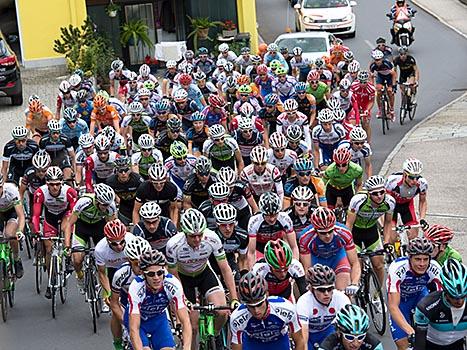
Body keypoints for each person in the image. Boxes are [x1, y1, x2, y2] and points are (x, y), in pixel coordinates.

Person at [166, 209, 239, 348]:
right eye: (193, 236)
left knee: (222, 312)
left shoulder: (212, 238)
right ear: (185, 233)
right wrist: (184, 300)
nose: (198, 239)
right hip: (183, 279)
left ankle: (216, 335)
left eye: (200, 235)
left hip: (204, 273)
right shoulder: (173, 245)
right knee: (191, 328)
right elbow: (173, 276)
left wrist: (234, 298)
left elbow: (225, 268)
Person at [128, 249, 192, 350]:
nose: (156, 277)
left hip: (158, 319)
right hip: (139, 321)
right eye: (151, 274)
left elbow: (186, 322)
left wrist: (187, 347)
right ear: (144, 275)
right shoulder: (136, 287)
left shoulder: (173, 283)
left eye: (160, 272)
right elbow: (134, 329)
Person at [387, 237, 443, 350]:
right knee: (403, 345)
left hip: (421, 296)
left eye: (425, 259)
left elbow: (441, 297)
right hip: (401, 300)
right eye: (417, 259)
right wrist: (410, 331)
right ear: (410, 258)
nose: (422, 264)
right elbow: (393, 307)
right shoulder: (397, 268)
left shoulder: (435, 267)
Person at [31, 167, 77, 298]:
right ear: (47, 183)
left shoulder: (70, 192)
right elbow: (36, 215)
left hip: (65, 215)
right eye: (52, 184)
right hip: (50, 217)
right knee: (49, 248)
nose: (55, 187)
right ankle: (51, 280)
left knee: (65, 228)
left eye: (57, 184)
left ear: (62, 182)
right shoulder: (40, 193)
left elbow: (74, 214)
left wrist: (71, 232)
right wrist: (36, 231)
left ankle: (67, 257)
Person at [230, 272, 306, 350]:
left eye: (259, 304)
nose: (256, 310)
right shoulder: (237, 318)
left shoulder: (287, 308)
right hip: (253, 345)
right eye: (251, 306)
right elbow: (237, 347)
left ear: (267, 295)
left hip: (279, 344)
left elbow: (300, 341)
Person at [64, 183, 117, 292]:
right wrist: (67, 245)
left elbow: (112, 227)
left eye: (108, 204)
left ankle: (105, 297)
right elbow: (69, 224)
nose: (106, 207)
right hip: (82, 227)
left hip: (99, 227)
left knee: (103, 264)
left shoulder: (111, 207)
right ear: (97, 200)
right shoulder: (84, 202)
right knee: (77, 259)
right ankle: (80, 276)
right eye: (103, 205)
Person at [346, 175, 395, 287]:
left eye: (382, 192)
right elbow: (349, 224)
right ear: (368, 194)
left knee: (379, 265)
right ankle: (358, 291)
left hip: (371, 232)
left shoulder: (390, 202)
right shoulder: (358, 201)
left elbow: (387, 223)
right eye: (374, 193)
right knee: (357, 265)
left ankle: (377, 294)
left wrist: (386, 242)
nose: (379, 196)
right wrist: (347, 243)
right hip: (355, 233)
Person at [299, 207, 361, 292]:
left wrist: (354, 284)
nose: (327, 235)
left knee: (343, 291)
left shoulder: (344, 233)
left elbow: (354, 263)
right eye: (323, 233)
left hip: (337, 258)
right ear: (315, 230)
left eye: (330, 231)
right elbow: (307, 268)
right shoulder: (305, 238)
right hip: (317, 260)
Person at [414, 259, 467, 350]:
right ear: (444, 289)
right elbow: (419, 344)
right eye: (453, 296)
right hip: (431, 345)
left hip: (457, 344)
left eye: (463, 296)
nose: (459, 301)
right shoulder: (426, 306)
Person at [110, 236, 151, 350]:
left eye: (143, 263)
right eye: (136, 264)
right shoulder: (121, 274)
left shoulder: (156, 272)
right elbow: (114, 303)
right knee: (115, 314)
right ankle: (117, 343)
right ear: (129, 260)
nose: (141, 267)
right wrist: (126, 323)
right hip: (126, 304)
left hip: (149, 305)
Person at [297, 264, 350, 348]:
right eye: (321, 289)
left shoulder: (341, 298)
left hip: (328, 331)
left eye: (330, 289)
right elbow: (303, 337)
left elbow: (349, 330)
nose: (326, 294)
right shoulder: (304, 302)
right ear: (311, 289)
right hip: (310, 334)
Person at [95, 219, 135, 324]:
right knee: (115, 308)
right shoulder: (100, 249)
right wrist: (108, 293)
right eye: (114, 244)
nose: (119, 246)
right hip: (112, 270)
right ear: (108, 240)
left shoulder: (132, 241)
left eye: (122, 242)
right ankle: (117, 339)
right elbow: (102, 273)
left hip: (130, 269)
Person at [247, 192, 299, 266]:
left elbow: (294, 247)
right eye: (268, 215)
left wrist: (294, 266)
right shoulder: (254, 221)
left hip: (278, 245)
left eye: (275, 214)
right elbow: (251, 253)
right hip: (260, 247)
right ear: (262, 212)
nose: (272, 219)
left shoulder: (285, 218)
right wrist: (252, 273)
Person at [385, 157, 428, 240]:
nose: (415, 181)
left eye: (417, 177)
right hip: (391, 207)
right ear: (404, 174)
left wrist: (422, 218)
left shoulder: (422, 183)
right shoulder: (392, 181)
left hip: (407, 206)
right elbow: (383, 202)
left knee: (413, 235)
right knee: (392, 238)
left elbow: (423, 201)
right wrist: (385, 224)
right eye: (411, 177)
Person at [210, 203, 249, 282]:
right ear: (217, 224)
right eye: (224, 225)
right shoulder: (210, 235)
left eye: (231, 224)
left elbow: (242, 259)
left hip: (229, 260)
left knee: (238, 282)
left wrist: (244, 278)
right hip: (211, 262)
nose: (228, 229)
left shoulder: (242, 236)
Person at [319, 304, 383, 350]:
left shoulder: (374, 345)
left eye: (360, 337)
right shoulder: (329, 344)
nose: (355, 343)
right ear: (339, 333)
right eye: (350, 337)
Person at [0, 174, 26, 278]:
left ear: (2, 186)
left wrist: (19, 231)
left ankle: (16, 259)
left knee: (9, 234)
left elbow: (21, 215)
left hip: (12, 212)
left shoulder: (11, 190)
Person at [106, 157, 144, 226]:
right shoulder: (110, 181)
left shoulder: (137, 179)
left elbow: (144, 192)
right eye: (120, 171)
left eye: (126, 170)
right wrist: (116, 197)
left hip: (137, 204)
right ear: (116, 171)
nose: (123, 173)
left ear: (130, 170)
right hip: (123, 206)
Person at [39, 120, 76, 184]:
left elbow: (72, 156)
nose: (56, 135)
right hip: (49, 160)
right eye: (54, 133)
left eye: (58, 132)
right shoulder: (43, 141)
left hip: (62, 158)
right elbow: (41, 157)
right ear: (49, 132)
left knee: (68, 178)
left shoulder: (65, 139)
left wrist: (74, 171)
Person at [369, 49, 397, 120]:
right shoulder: (373, 65)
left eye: (379, 59)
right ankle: (380, 110)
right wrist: (372, 86)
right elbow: (371, 76)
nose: (377, 61)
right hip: (380, 76)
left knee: (390, 92)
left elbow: (394, 74)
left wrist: (393, 86)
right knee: (378, 91)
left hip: (389, 77)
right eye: (376, 60)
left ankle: (391, 109)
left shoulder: (387, 63)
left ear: (382, 59)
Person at [350, 71, 376, 143]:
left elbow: (372, 101)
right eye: (361, 82)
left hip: (365, 105)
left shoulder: (371, 88)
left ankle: (368, 142)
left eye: (364, 82)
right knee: (353, 122)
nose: (362, 84)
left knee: (366, 123)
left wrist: (367, 110)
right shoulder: (354, 85)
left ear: (367, 81)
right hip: (356, 103)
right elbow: (350, 98)